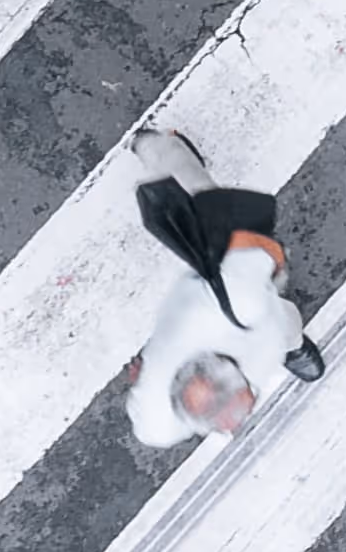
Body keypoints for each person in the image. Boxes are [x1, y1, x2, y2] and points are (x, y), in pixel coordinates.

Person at [123, 122, 324, 442]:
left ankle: (156, 146)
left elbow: (260, 251)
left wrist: (270, 266)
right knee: (283, 325)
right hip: (232, 300)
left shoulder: (157, 423)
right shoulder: (247, 310)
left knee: (201, 198)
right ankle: (157, 147)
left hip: (225, 295)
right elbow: (265, 252)